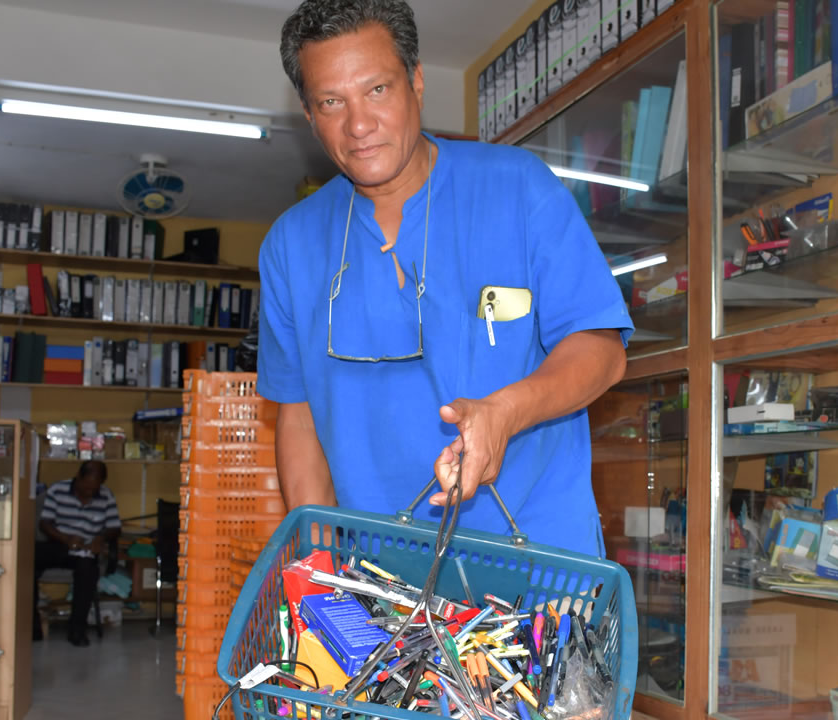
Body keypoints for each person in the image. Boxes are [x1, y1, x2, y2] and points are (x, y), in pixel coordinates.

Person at [258, 0, 633, 557]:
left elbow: (601, 349)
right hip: (380, 585)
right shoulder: (291, 245)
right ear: (310, 116)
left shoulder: (518, 188)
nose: (358, 124)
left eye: (377, 90)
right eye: (332, 102)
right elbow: (299, 417)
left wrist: (506, 413)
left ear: (416, 80)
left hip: (539, 574)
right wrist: (317, 569)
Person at [33, 460, 121, 647]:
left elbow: (114, 527)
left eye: (94, 489)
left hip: (87, 549)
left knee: (88, 571)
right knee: (27, 559)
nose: (89, 493)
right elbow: (45, 523)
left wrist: (101, 538)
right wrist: (65, 538)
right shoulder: (58, 490)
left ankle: (76, 630)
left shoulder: (106, 496)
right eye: (86, 487)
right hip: (59, 543)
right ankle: (32, 626)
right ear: (78, 478)